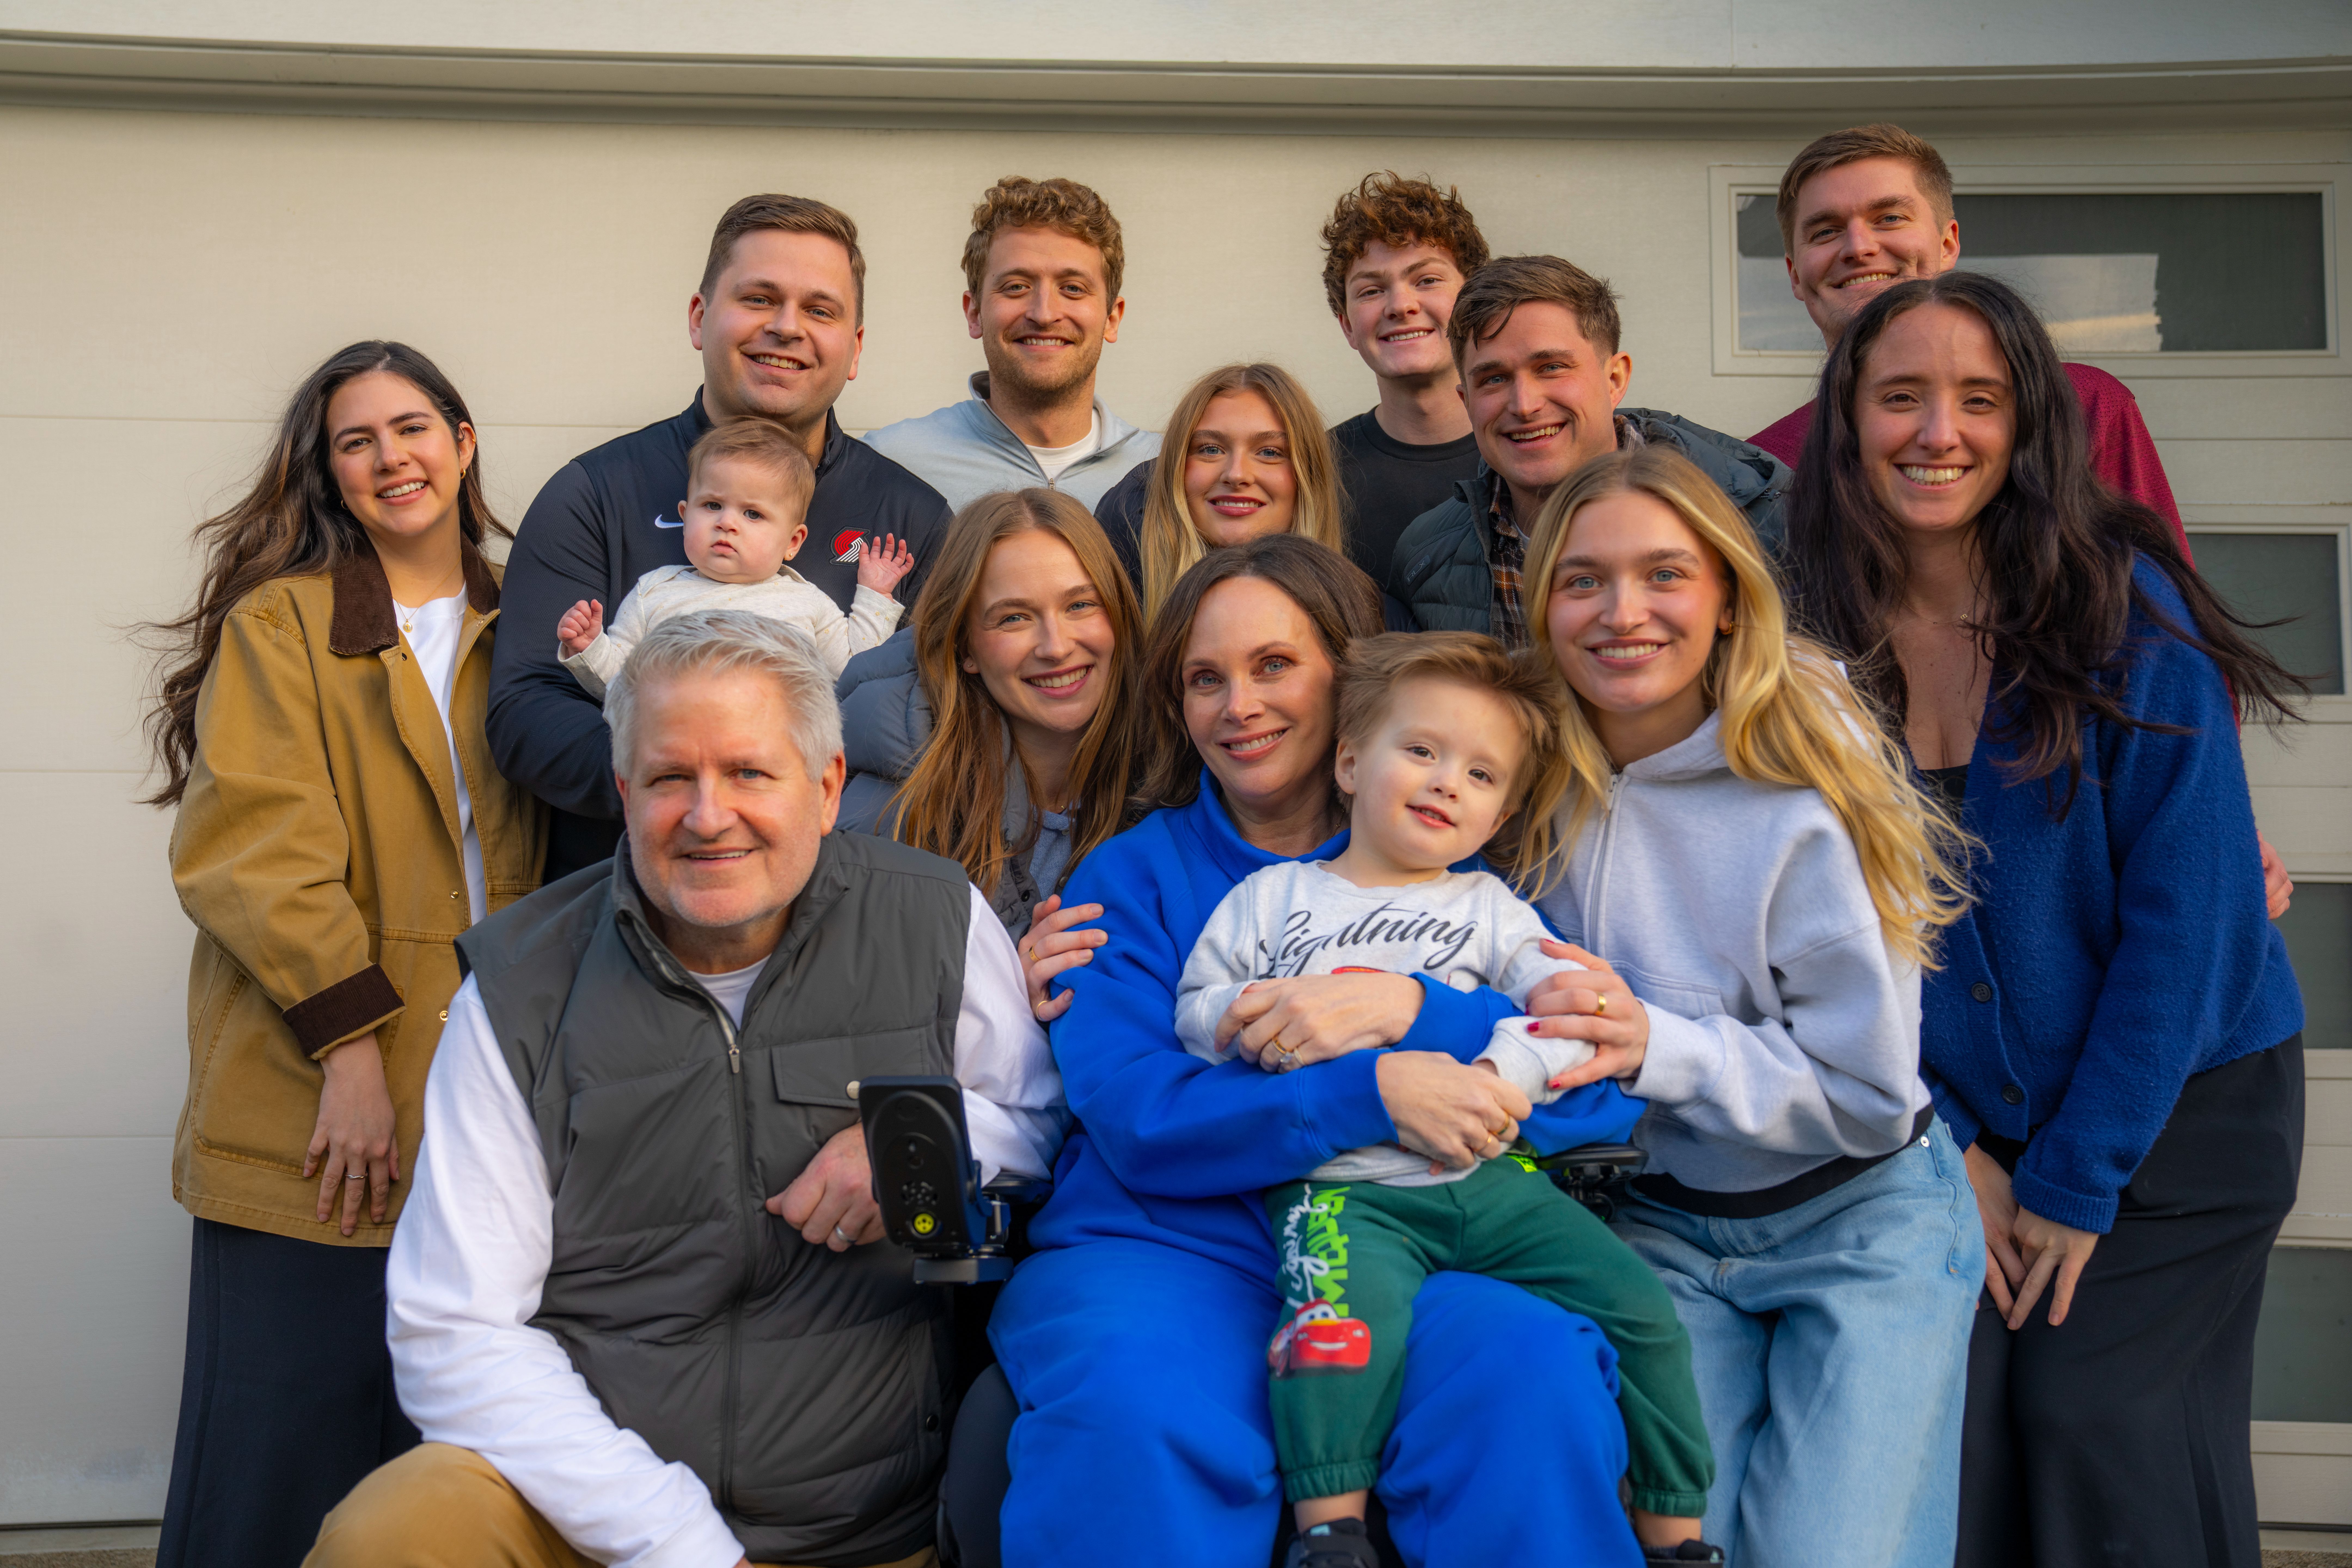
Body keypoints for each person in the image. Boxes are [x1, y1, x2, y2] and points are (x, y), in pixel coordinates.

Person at [305, 610, 1066, 1568]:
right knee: (397, 1531)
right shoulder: (518, 986)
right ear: (624, 792)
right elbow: (452, 1326)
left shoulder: (932, 917)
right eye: (670, 778)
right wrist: (673, 1541)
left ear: (827, 787)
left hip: (865, 1525)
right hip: (593, 1524)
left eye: (750, 772)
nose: (708, 817)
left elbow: (1040, 1124)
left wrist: (917, 1148)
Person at [1780, 271, 2306, 1568]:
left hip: (2177, 1109)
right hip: (1947, 1122)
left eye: (1978, 400)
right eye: (1900, 397)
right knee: (1950, 1424)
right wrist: (1947, 1146)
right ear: (1847, 419)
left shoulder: (2125, 610)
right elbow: (1818, 938)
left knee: (2099, 1416)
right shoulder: (1804, 641)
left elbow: (2190, 926)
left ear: (2029, 428)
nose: (1937, 433)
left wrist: (2071, 1180)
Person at [994, 534, 1653, 1568]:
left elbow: (1595, 1091)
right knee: (1135, 1409)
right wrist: (1372, 1090)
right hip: (1175, 1248)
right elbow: (1137, 1115)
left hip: (1423, 1234)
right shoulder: (1128, 878)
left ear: (1348, 687)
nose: (1236, 705)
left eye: (1272, 666)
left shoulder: (1467, 876)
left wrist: (1413, 1015)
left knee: (1530, 1376)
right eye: (1203, 679)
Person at [1522, 444, 1979, 1567]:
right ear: (1541, 608)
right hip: (1663, 1232)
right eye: (1583, 580)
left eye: (1665, 575)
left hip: (1859, 1219)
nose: (1623, 613)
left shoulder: (1808, 788)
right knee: (1678, 1546)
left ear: (1728, 597)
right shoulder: (1526, 782)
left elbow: (1868, 1096)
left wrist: (1655, 1047)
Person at [1175, 632, 1715, 1566]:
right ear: (1351, 761)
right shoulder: (1275, 899)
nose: (1445, 783)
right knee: (1333, 1335)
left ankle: (1677, 1535)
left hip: (1492, 1177)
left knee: (1643, 1312)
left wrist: (1498, 1079)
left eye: (1481, 773)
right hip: (1344, 1185)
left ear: (1501, 808)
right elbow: (1199, 1012)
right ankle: (1332, 1534)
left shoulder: (1493, 911)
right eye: (1421, 751)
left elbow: (1571, 1013)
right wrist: (1260, 1017)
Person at [140, 341, 545, 1568]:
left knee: (435, 1479)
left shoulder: (531, 623)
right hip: (316, 1095)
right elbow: (255, 851)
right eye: (355, 441)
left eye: (412, 427)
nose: (390, 459)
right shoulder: (287, 625)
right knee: (274, 1464)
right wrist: (352, 1056)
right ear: (329, 474)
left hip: (486, 1096)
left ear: (463, 442)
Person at [1755, 123, 2299, 924]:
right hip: (1882, 867)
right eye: (1826, 230)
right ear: (1797, 274)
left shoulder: (2081, 407)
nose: (1859, 246)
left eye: (1888, 217)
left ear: (1946, 242)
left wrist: (2217, 819)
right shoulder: (1765, 468)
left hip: (2086, 841)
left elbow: (2175, 649)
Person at [492, 192, 951, 881]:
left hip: (845, 892)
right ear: (700, 319)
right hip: (624, 907)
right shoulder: (594, 493)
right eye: (759, 298)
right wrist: (678, 784)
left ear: (854, 351)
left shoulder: (909, 517)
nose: (787, 328)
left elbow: (949, 715)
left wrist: (792, 798)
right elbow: (526, 708)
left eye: (820, 310)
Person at [1387, 257, 1788, 647]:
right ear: (1467, 401)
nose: (1524, 404)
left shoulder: (1762, 525)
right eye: (1494, 379)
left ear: (1615, 379)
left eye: (1552, 368)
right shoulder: (1424, 558)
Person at [838, 488, 1142, 939]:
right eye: (1014, 618)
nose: (1056, 647)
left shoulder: (1170, 774)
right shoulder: (891, 810)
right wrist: (1006, 976)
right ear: (966, 647)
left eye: (1080, 605)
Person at [862, 175, 1159, 511]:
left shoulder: (1169, 474)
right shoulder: (887, 464)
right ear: (975, 313)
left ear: (1112, 318)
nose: (1044, 314)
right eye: (1017, 287)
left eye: (1073, 288)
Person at [556, 416, 913, 689]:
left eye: (753, 514)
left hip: (778, 745)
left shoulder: (806, 602)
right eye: (712, 506)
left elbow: (855, 673)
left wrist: (874, 597)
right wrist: (591, 649)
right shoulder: (653, 593)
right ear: (684, 516)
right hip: (676, 738)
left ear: (793, 542)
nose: (727, 523)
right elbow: (620, 686)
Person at [1319, 172, 1492, 579]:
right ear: (1347, 326)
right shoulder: (1317, 472)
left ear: (1474, 303)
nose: (1401, 305)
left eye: (1427, 280)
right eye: (1371, 291)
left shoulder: (1534, 447)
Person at [1095, 362, 1349, 616]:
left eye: (1270, 453)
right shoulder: (1112, 615)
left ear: (1309, 477)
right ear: (1176, 469)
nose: (1236, 474)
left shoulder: (1364, 617)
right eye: (1211, 450)